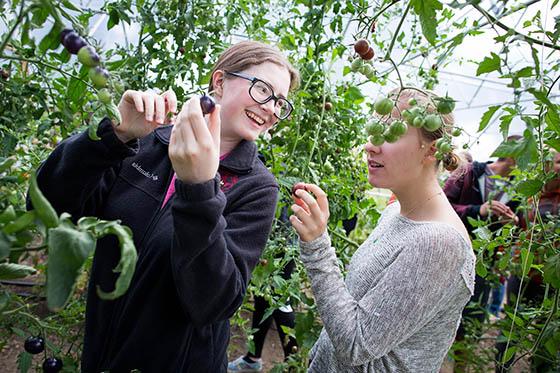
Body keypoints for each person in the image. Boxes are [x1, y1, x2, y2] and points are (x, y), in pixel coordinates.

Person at [29, 41, 299, 372]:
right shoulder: (147, 143)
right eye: (263, 90)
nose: (272, 109)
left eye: (280, 103)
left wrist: (200, 188)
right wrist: (116, 134)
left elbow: (213, 303)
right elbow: (48, 206)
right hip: (102, 351)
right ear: (219, 82)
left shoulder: (257, 187)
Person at [288, 88, 475, 372]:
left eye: (390, 134)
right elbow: (357, 306)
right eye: (373, 132)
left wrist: (317, 245)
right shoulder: (395, 212)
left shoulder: (439, 243)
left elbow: (355, 344)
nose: (370, 146)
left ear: (432, 150)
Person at [443, 137, 521, 351]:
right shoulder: (469, 172)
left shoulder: (518, 189)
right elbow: (440, 204)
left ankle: (462, 357)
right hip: (452, 255)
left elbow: (519, 226)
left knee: (473, 314)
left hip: (484, 262)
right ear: (512, 156)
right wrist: (479, 210)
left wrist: (512, 223)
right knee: (444, 308)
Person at [495, 151, 560, 372]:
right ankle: (501, 368)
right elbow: (521, 226)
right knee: (510, 327)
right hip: (523, 272)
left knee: (545, 335)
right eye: (557, 162)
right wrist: (513, 221)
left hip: (551, 280)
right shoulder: (531, 194)